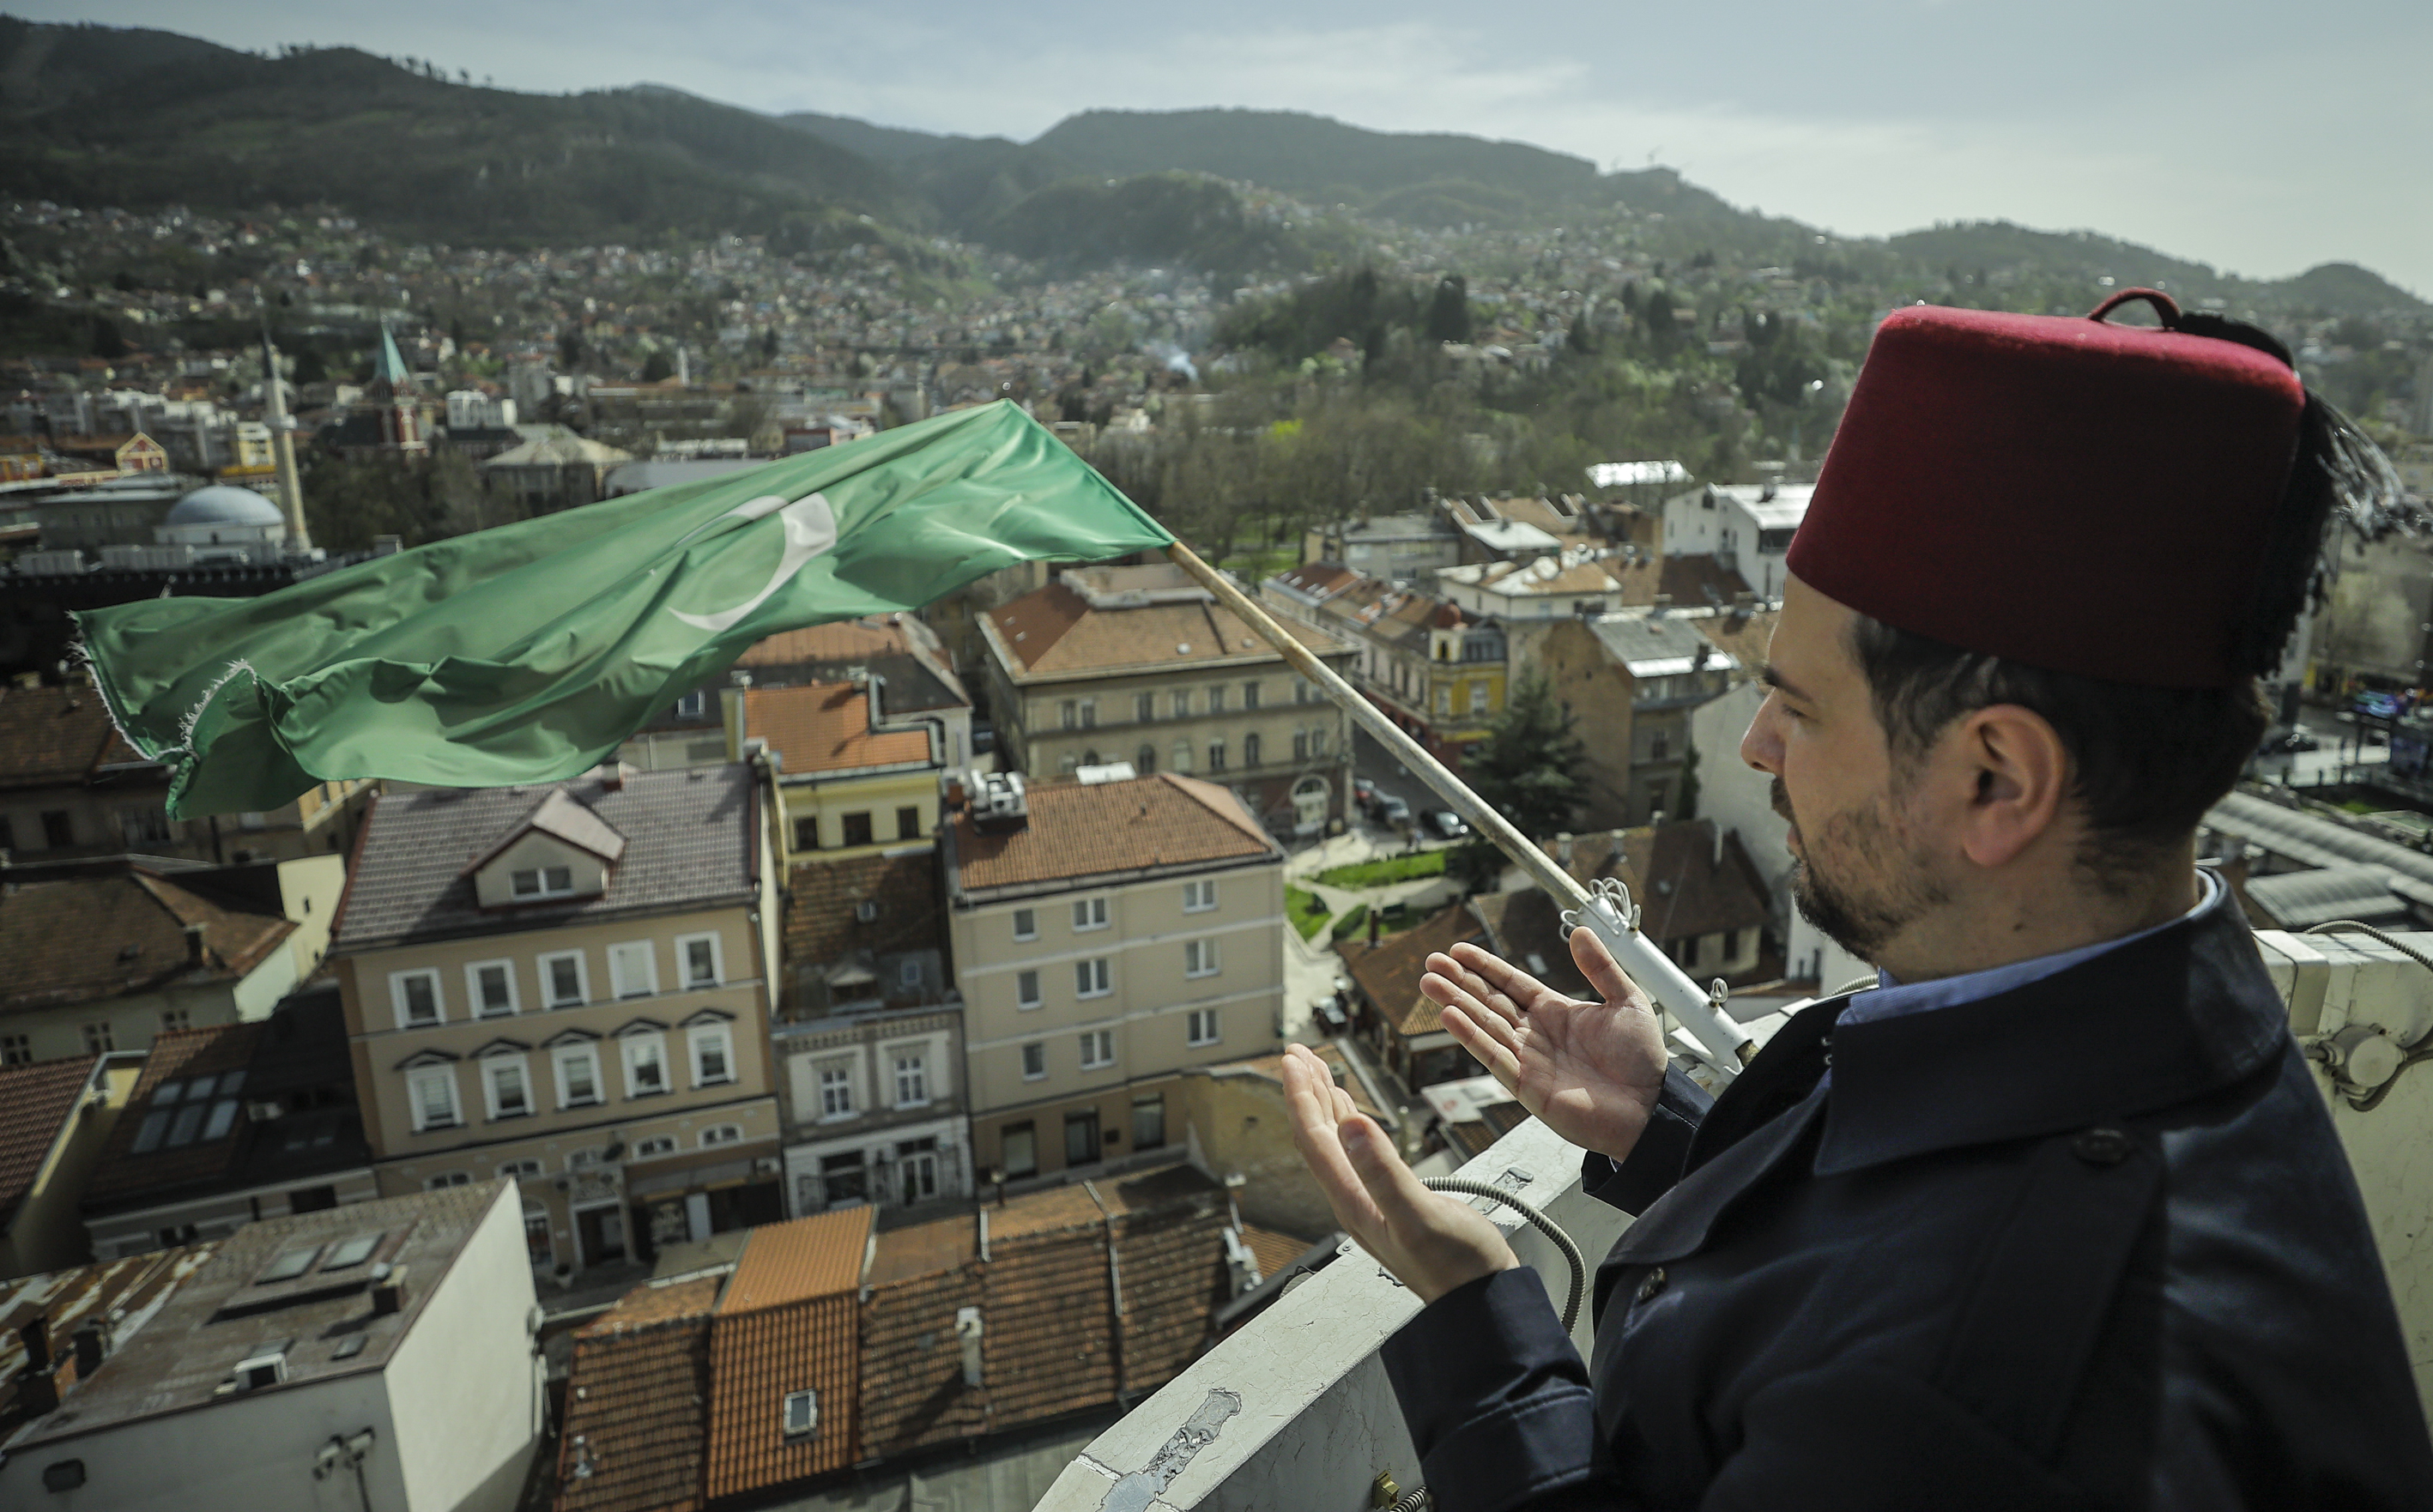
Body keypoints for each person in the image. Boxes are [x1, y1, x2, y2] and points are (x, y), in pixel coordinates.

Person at [1284, 291, 2433, 1509]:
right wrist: (1678, 1132)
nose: (1761, 746)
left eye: (1803, 703)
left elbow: (1923, 1334)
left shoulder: (1977, 1394)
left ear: (1998, 777)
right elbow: (1921, 1223)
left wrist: (1476, 1319)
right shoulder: (2169, 1037)